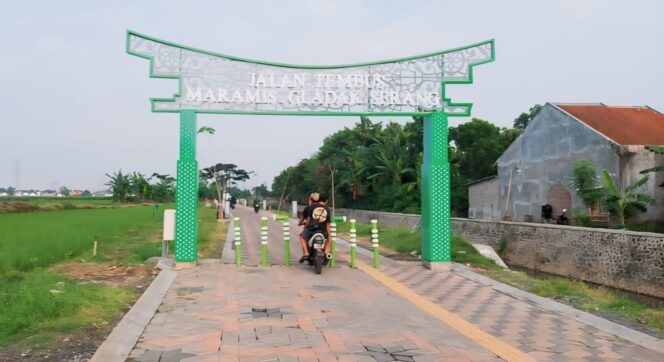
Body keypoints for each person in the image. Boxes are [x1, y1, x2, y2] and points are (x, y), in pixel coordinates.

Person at [298, 193, 331, 263]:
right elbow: (328, 224)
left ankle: (306, 253)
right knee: (329, 239)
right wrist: (329, 234)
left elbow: (308, 219)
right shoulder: (327, 209)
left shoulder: (312, 207)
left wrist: (305, 227)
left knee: (302, 237)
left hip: (311, 228)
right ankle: (326, 252)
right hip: (322, 229)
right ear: (326, 201)